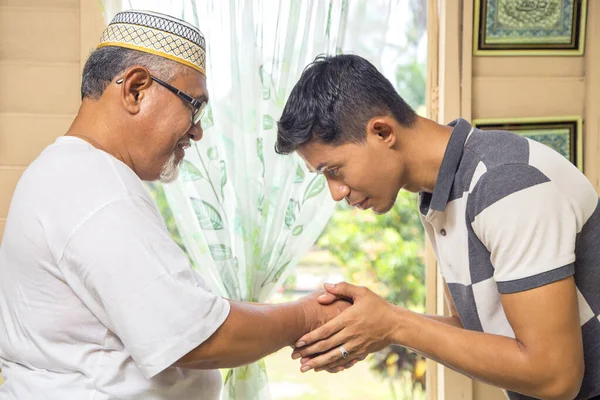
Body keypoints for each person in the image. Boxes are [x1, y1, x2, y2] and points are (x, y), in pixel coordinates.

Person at [0, 11, 350, 400]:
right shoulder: (92, 186)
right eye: (193, 106)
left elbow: (186, 309)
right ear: (135, 89)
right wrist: (307, 316)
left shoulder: (68, 173)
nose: (197, 131)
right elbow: (192, 337)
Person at [275, 54, 600, 400]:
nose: (336, 193)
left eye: (334, 170)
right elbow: (474, 332)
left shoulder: (502, 183)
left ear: (382, 131)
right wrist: (376, 326)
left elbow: (556, 376)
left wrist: (394, 323)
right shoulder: (438, 193)